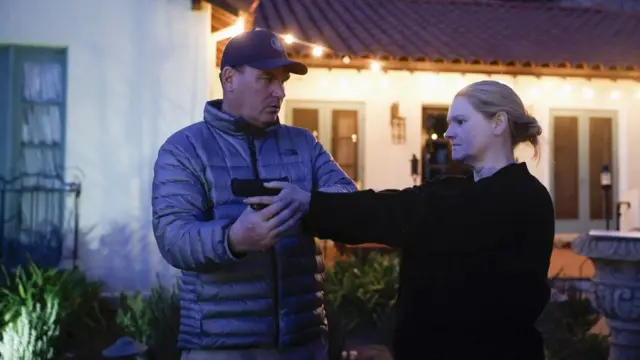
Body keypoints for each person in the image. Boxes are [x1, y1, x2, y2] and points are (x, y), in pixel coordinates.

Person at [246, 80, 556, 360]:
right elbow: (399, 206)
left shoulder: (520, 197)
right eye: (450, 122)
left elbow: (400, 212)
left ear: (498, 123)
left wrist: (310, 204)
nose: (448, 132)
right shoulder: (458, 189)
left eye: (461, 121)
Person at [151, 28, 357, 360]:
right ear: (229, 78)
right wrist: (233, 239)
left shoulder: (304, 143)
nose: (280, 92)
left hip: (303, 343)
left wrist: (308, 204)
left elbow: (349, 200)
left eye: (283, 82)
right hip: (219, 348)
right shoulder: (185, 149)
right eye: (267, 79)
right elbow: (173, 237)